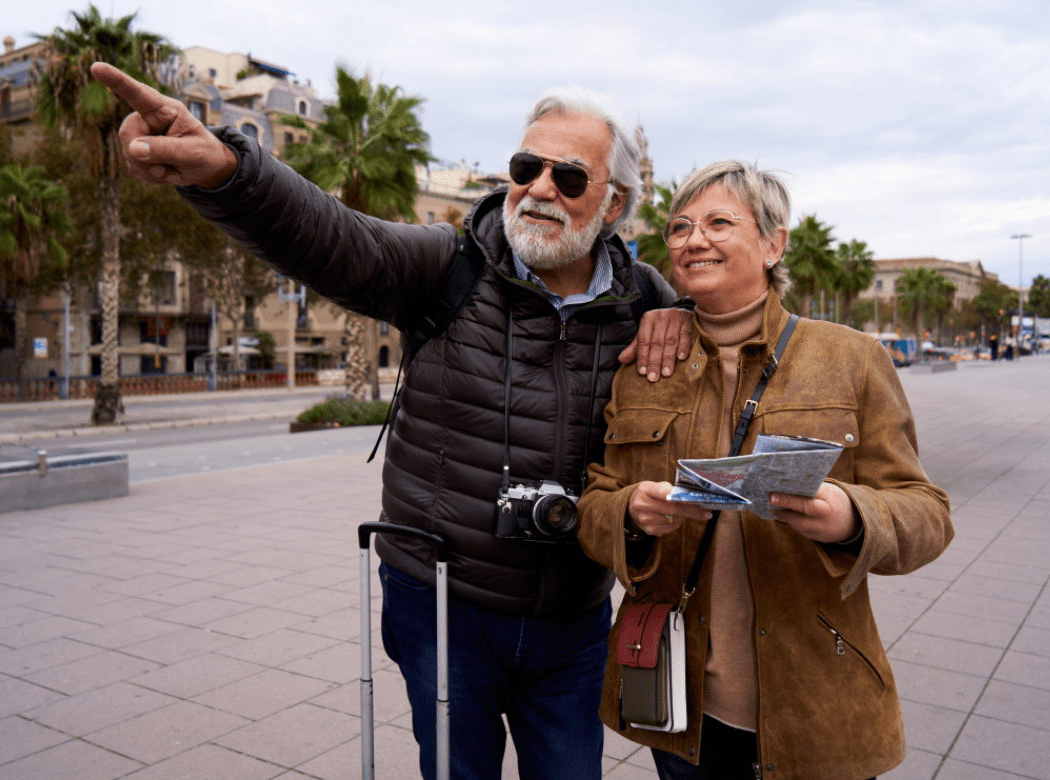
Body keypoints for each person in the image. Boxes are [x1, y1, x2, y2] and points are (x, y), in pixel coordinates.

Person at [91, 62, 693, 780]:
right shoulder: (447, 266)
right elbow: (332, 236)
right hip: (441, 602)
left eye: (568, 177)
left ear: (616, 204)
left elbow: (737, 327)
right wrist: (226, 169)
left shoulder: (647, 302)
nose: (539, 189)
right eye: (525, 167)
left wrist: (685, 314)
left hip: (574, 617)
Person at [576, 160, 954, 780]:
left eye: (719, 223)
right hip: (681, 715)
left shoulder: (853, 359)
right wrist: (630, 514)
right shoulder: (645, 368)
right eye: (679, 227)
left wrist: (852, 518)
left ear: (774, 244)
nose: (693, 239)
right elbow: (595, 504)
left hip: (819, 712)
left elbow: (928, 513)